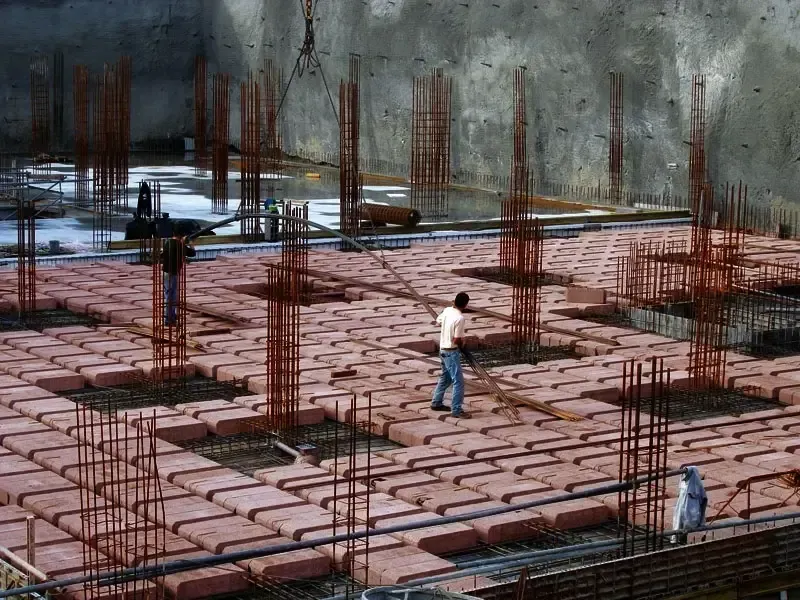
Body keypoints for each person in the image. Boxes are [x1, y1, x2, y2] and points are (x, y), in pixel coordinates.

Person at [430, 292, 471, 419]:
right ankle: (456, 410)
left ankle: (436, 403)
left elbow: (438, 321)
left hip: (442, 350)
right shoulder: (460, 318)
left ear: (454, 301)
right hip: (451, 352)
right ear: (465, 305)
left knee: (445, 377)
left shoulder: (447, 310)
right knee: (458, 381)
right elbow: (456, 340)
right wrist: (463, 344)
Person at [161, 228, 196, 326]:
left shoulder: (168, 242)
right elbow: (192, 253)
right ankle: (169, 319)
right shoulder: (178, 245)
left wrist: (182, 243)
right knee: (171, 296)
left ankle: (171, 315)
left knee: (169, 294)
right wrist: (191, 245)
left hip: (165, 272)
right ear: (181, 236)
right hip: (172, 273)